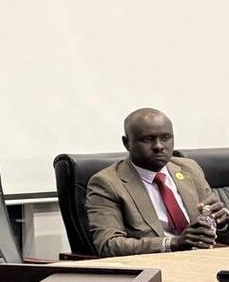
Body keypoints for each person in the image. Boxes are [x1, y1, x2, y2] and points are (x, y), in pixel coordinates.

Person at [86, 108, 229, 257]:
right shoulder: (107, 183)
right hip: (155, 266)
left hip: (204, 259)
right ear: (127, 143)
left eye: (166, 138)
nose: (159, 146)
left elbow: (215, 233)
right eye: (147, 139)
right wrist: (174, 243)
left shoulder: (190, 169)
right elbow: (109, 245)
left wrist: (222, 223)